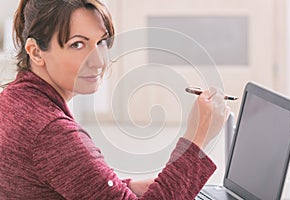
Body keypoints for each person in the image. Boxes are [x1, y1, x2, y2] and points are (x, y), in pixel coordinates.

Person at [0, 0, 229, 199]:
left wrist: (124, 187)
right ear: (36, 52)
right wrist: (199, 136)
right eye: (77, 44)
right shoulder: (52, 132)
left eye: (101, 42)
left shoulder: (12, 101)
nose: (99, 61)